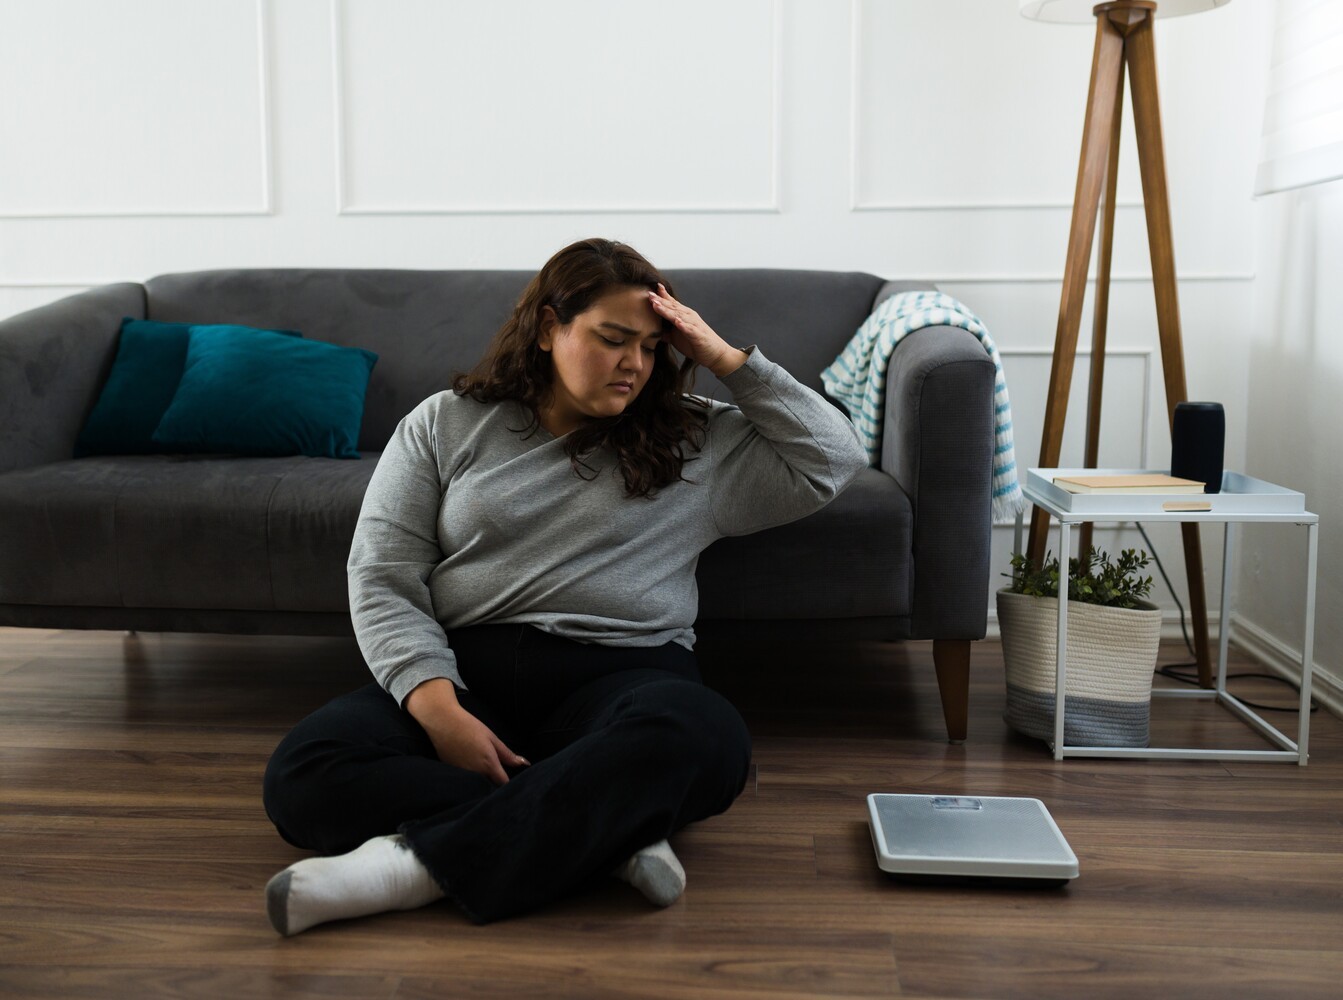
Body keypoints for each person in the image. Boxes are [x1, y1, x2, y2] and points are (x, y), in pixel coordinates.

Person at [262, 238, 868, 933]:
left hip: (624, 676)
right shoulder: (445, 421)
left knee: (708, 738)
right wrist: (437, 709)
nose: (634, 365)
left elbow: (833, 458)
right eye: (613, 340)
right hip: (467, 674)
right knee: (302, 776)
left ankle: (407, 868)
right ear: (549, 328)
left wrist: (724, 358)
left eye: (650, 347)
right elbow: (383, 572)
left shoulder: (699, 438)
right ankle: (606, 826)